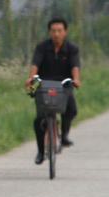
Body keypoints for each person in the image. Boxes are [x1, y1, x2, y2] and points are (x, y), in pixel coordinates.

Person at [27, 17, 81, 164]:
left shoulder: (72, 48)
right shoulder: (42, 47)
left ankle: (63, 136)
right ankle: (40, 151)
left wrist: (76, 79)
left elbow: (75, 66)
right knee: (39, 119)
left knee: (71, 109)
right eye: (53, 31)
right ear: (49, 32)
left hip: (64, 86)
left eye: (59, 30)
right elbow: (35, 63)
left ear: (65, 32)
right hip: (44, 85)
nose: (56, 34)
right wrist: (31, 79)